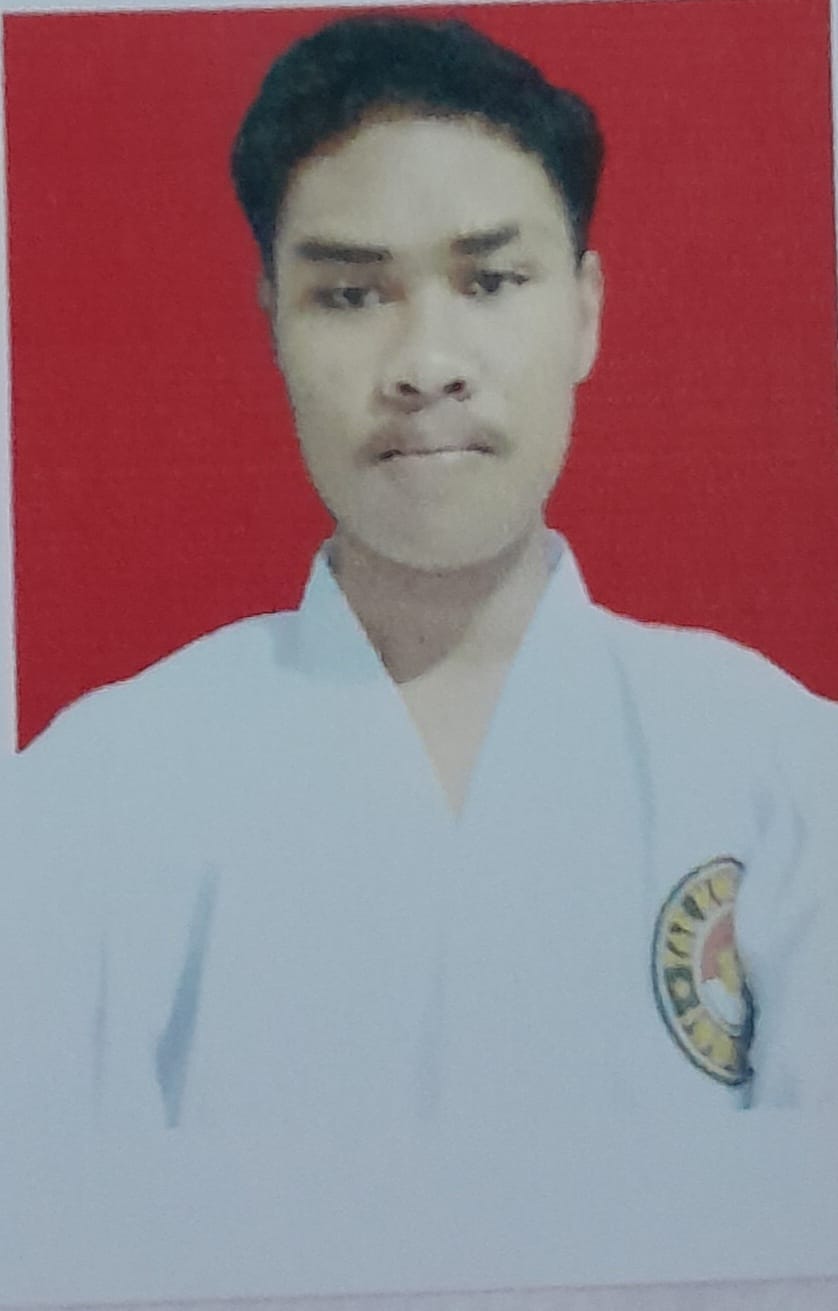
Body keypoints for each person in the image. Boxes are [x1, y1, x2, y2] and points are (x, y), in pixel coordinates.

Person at [2, 11, 836, 1151]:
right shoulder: (95, 799)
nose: (426, 365)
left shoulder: (783, 776)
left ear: (584, 312)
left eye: (490, 280)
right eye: (351, 295)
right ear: (274, 324)